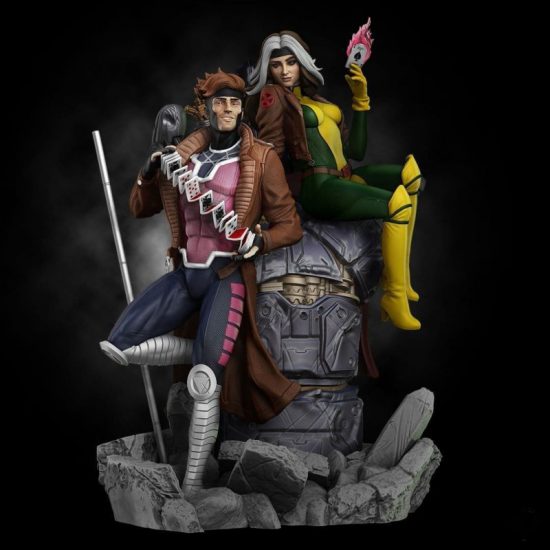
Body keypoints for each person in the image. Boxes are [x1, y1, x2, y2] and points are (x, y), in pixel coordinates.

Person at [99, 70, 303, 495]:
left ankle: (193, 481)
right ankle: (202, 355)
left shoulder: (261, 159)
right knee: (118, 346)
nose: (227, 109)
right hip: (185, 272)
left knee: (204, 384)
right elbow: (139, 208)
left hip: (226, 275)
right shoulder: (182, 158)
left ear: (242, 108)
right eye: (219, 102)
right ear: (205, 108)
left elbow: (290, 226)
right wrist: (149, 169)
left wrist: (260, 240)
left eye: (234, 102)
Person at [246, 31, 424, 330]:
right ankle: (393, 298)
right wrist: (268, 202)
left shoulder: (317, 101)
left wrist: (360, 99)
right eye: (276, 65)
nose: (285, 70)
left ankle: (401, 280)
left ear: (302, 63)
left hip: (345, 176)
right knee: (397, 204)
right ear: (268, 70)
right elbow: (270, 152)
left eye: (291, 62)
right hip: (319, 187)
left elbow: (355, 151)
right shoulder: (273, 97)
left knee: (411, 176)